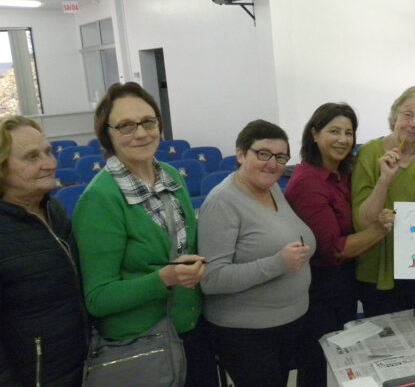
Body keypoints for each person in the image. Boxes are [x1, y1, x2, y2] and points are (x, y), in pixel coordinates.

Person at [73, 82, 216, 387]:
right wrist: (165, 278)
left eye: (148, 122)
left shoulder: (170, 175)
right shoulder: (100, 198)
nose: (140, 133)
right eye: (125, 125)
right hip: (142, 349)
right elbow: (98, 298)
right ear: (107, 134)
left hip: (190, 332)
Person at [198, 119, 316, 387]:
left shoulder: (272, 187)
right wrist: (278, 263)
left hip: (286, 326)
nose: (272, 164)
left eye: (280, 156)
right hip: (247, 335)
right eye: (263, 154)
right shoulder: (221, 203)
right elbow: (211, 279)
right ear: (241, 154)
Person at [284, 103, 394, 387]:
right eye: (334, 131)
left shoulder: (342, 172)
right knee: (319, 364)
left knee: (341, 362)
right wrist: (381, 230)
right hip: (320, 290)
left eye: (349, 132)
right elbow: (334, 248)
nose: (343, 139)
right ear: (314, 133)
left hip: (342, 285)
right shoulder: (308, 181)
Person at [0, 116, 87, 386]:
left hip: (81, 364)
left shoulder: (54, 210)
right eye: (31, 157)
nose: (49, 163)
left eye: (48, 152)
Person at [351, 85, 415, 317]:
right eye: (407, 114)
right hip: (377, 264)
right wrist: (384, 181)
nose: (412, 123)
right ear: (395, 116)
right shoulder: (369, 153)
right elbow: (363, 220)